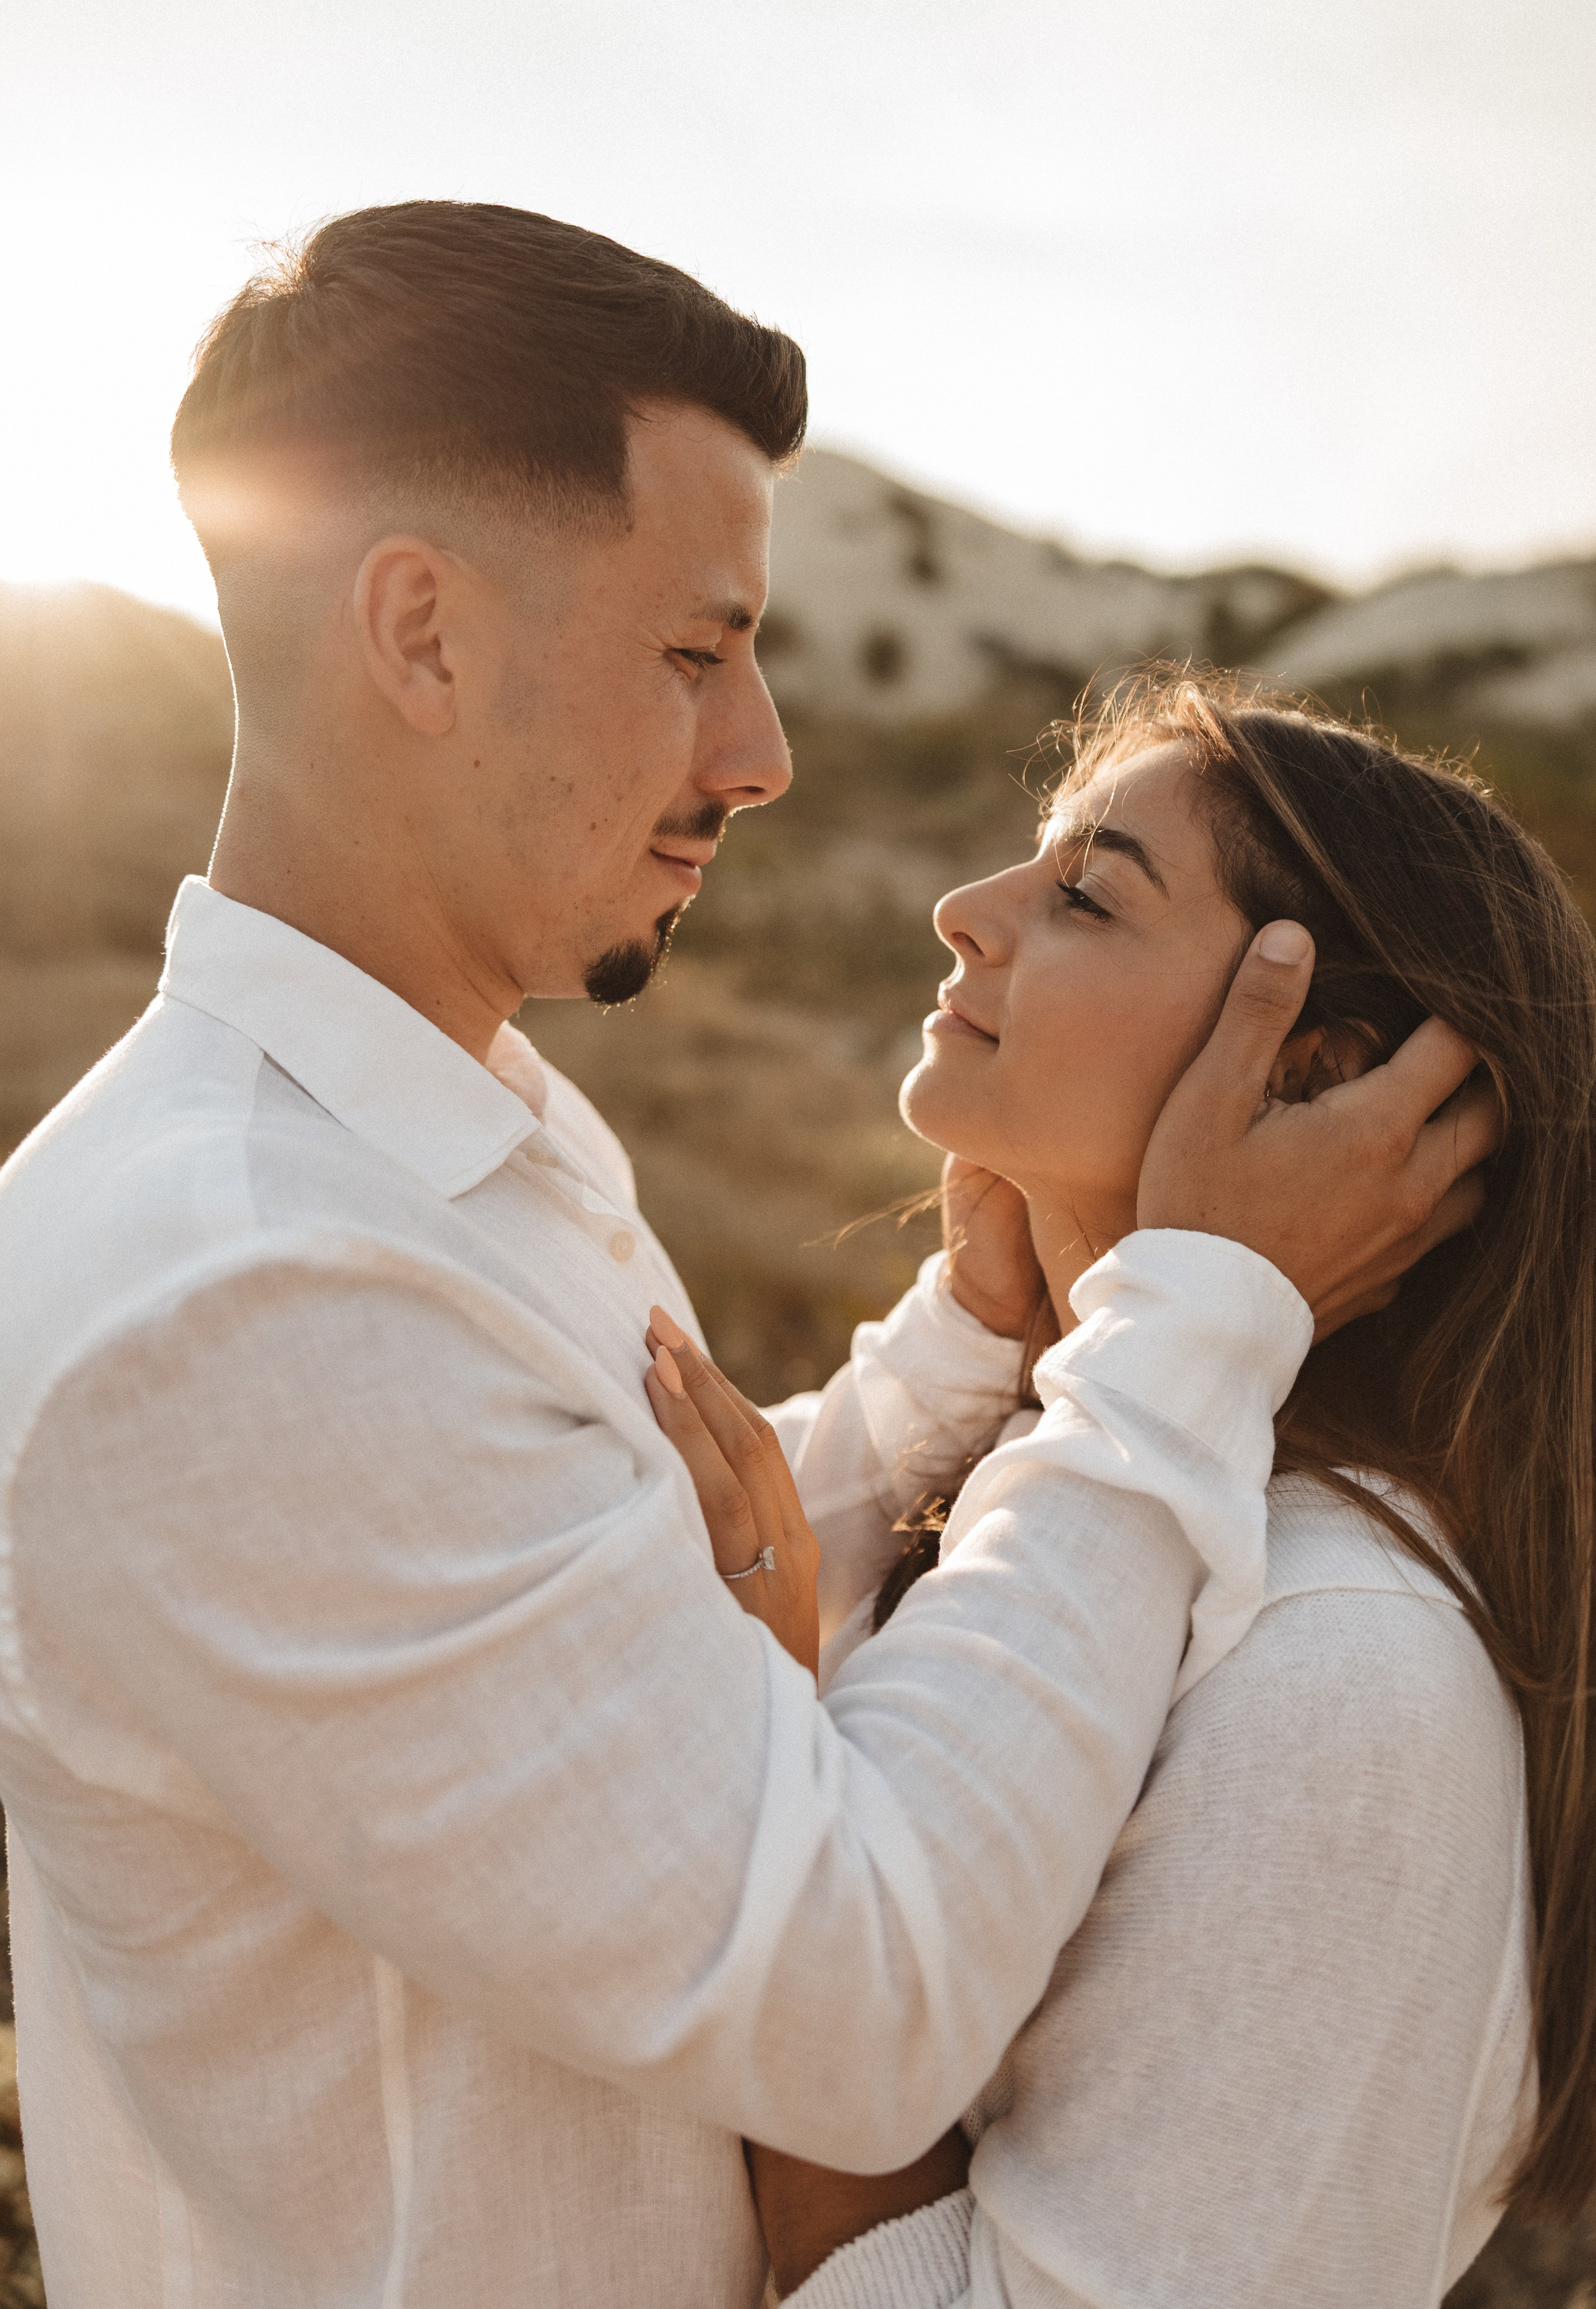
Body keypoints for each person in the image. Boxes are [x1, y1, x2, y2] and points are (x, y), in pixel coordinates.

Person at [0, 205, 1492, 2309]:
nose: (763, 753)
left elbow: (570, 1589)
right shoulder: (244, 1290)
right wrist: (1192, 1321)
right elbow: (862, 1990)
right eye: (698, 653)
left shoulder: (434, 1146)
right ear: (420, 634)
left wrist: (976, 1347)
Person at [646, 672, 1596, 2308]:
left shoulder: (1349, 1680)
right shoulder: (1038, 1480)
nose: (963, 912)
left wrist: (769, 1739)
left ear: (1323, 1083)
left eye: (1085, 893)